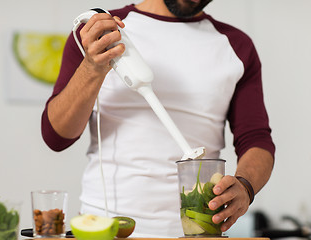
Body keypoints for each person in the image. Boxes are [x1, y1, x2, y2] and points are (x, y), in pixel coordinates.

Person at [41, 0, 275, 237]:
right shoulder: (101, 33)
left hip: (200, 231)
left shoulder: (236, 46)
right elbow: (56, 137)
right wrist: (92, 68)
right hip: (107, 229)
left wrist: (246, 187)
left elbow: (256, 139)